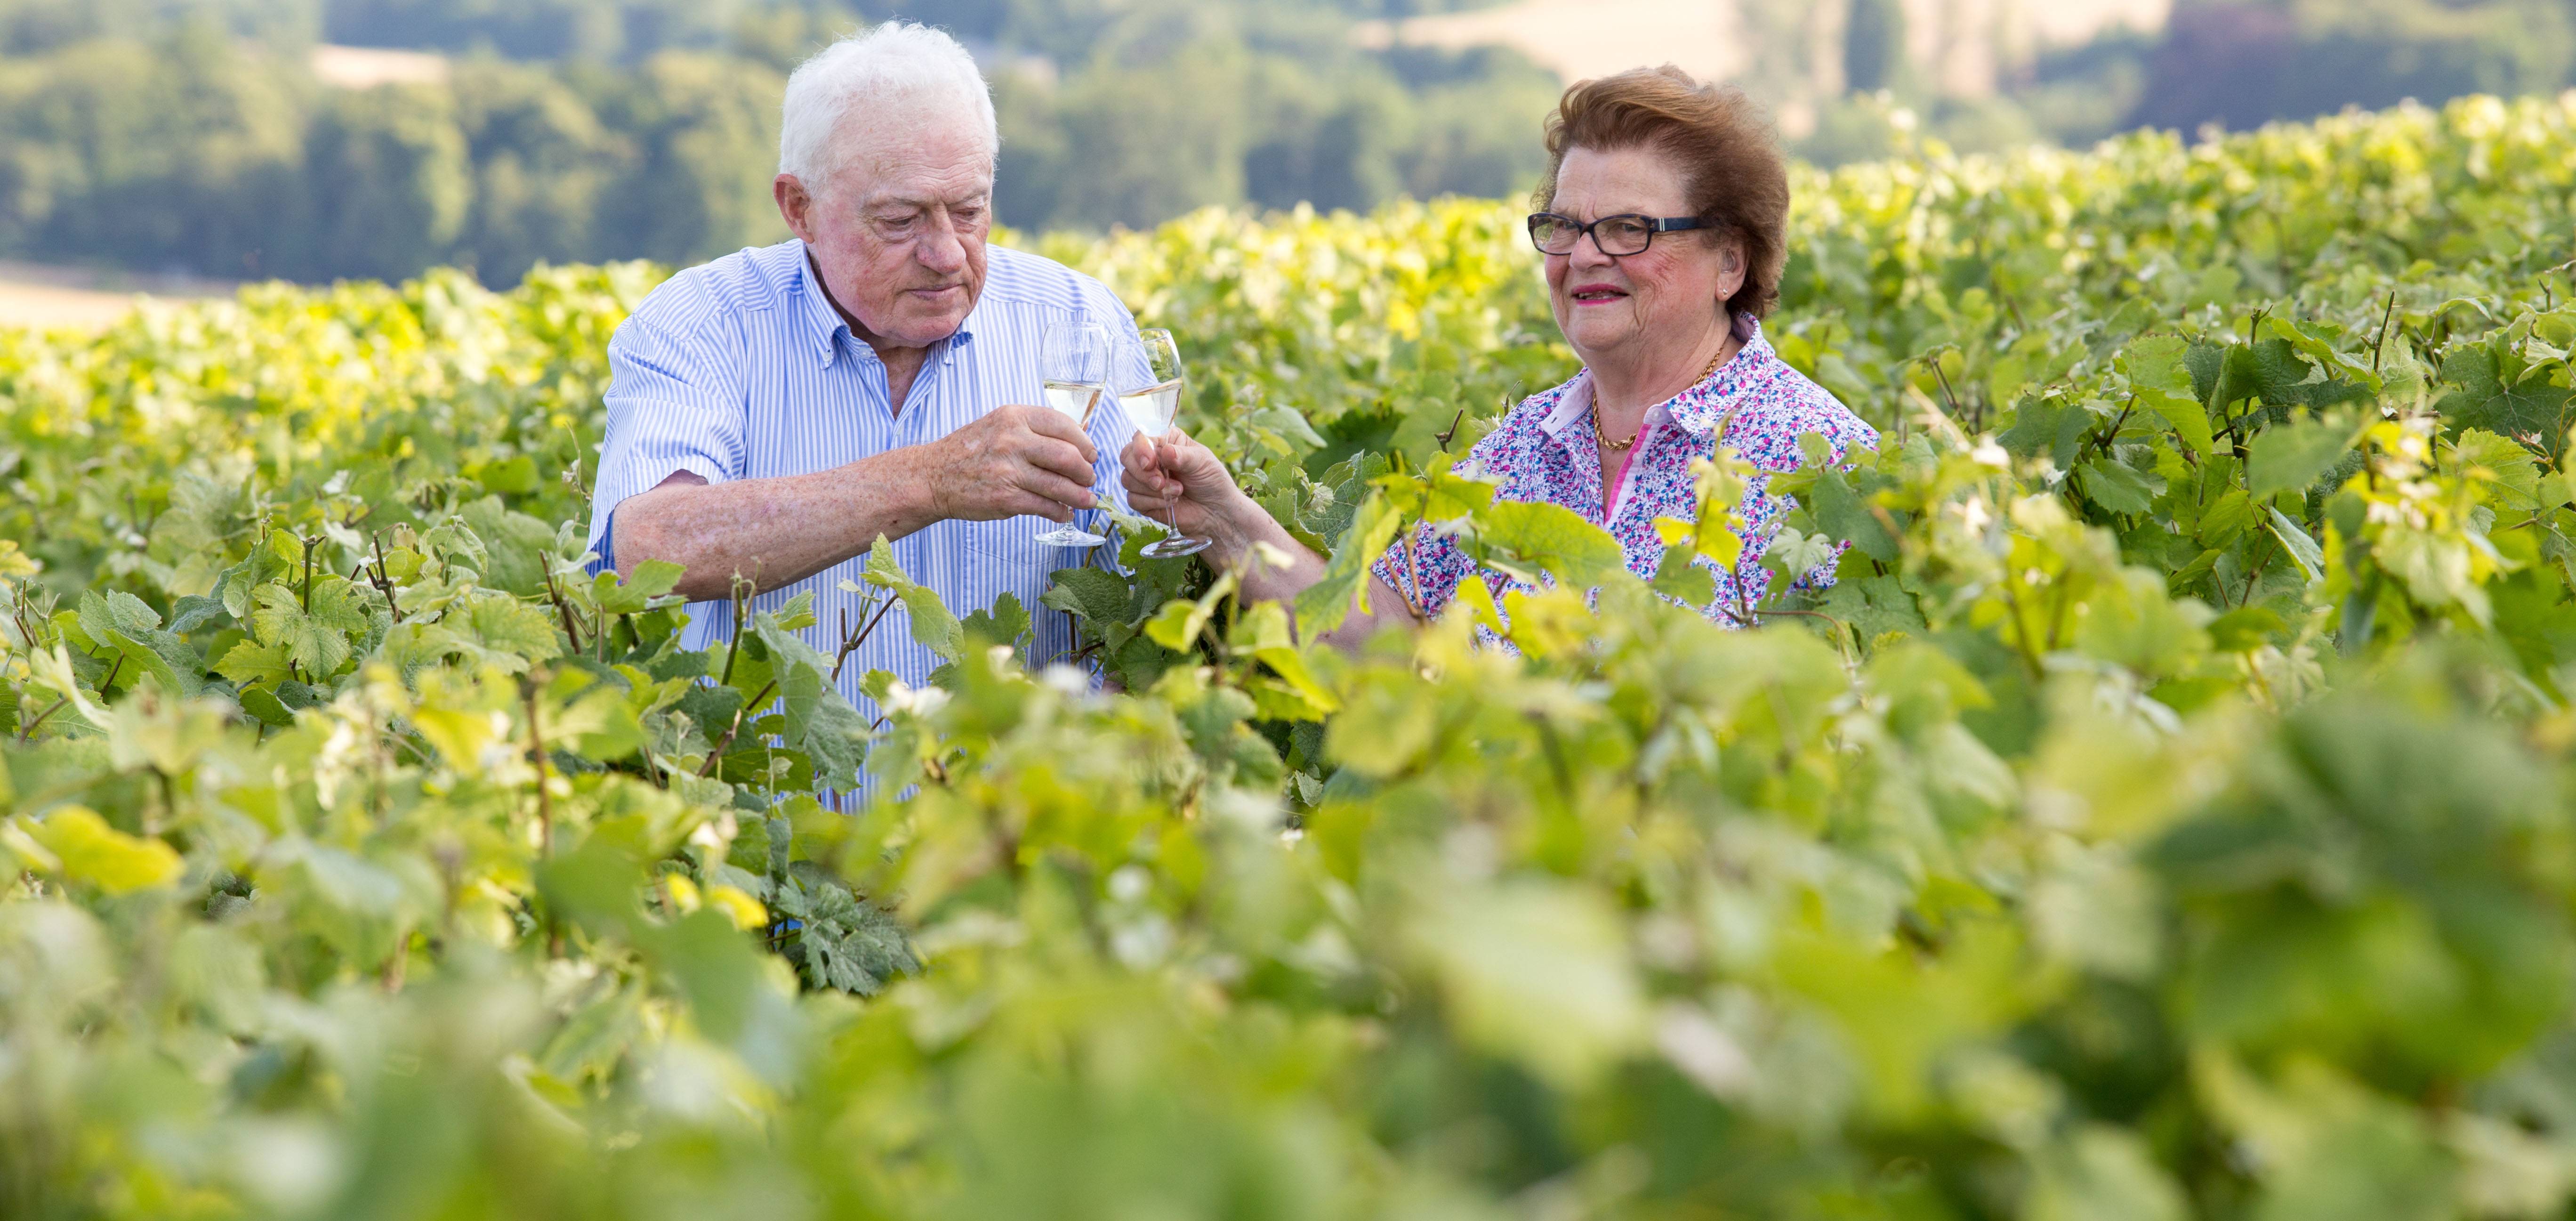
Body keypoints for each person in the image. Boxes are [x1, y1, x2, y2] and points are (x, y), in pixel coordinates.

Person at [1120, 66, 1878, 642]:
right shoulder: (1519, 450)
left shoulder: (1823, 467)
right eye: (1566, 225)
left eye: (1628, 229)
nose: (1584, 256)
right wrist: (1223, 520)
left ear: (1731, 264)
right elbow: (1392, 645)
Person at [586, 22, 1152, 693]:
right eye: (900, 221)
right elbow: (646, 552)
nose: (946, 254)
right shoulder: (702, 323)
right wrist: (932, 480)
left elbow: (1152, 594)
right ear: (800, 208)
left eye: (969, 211)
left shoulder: (1077, 318)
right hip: (776, 798)